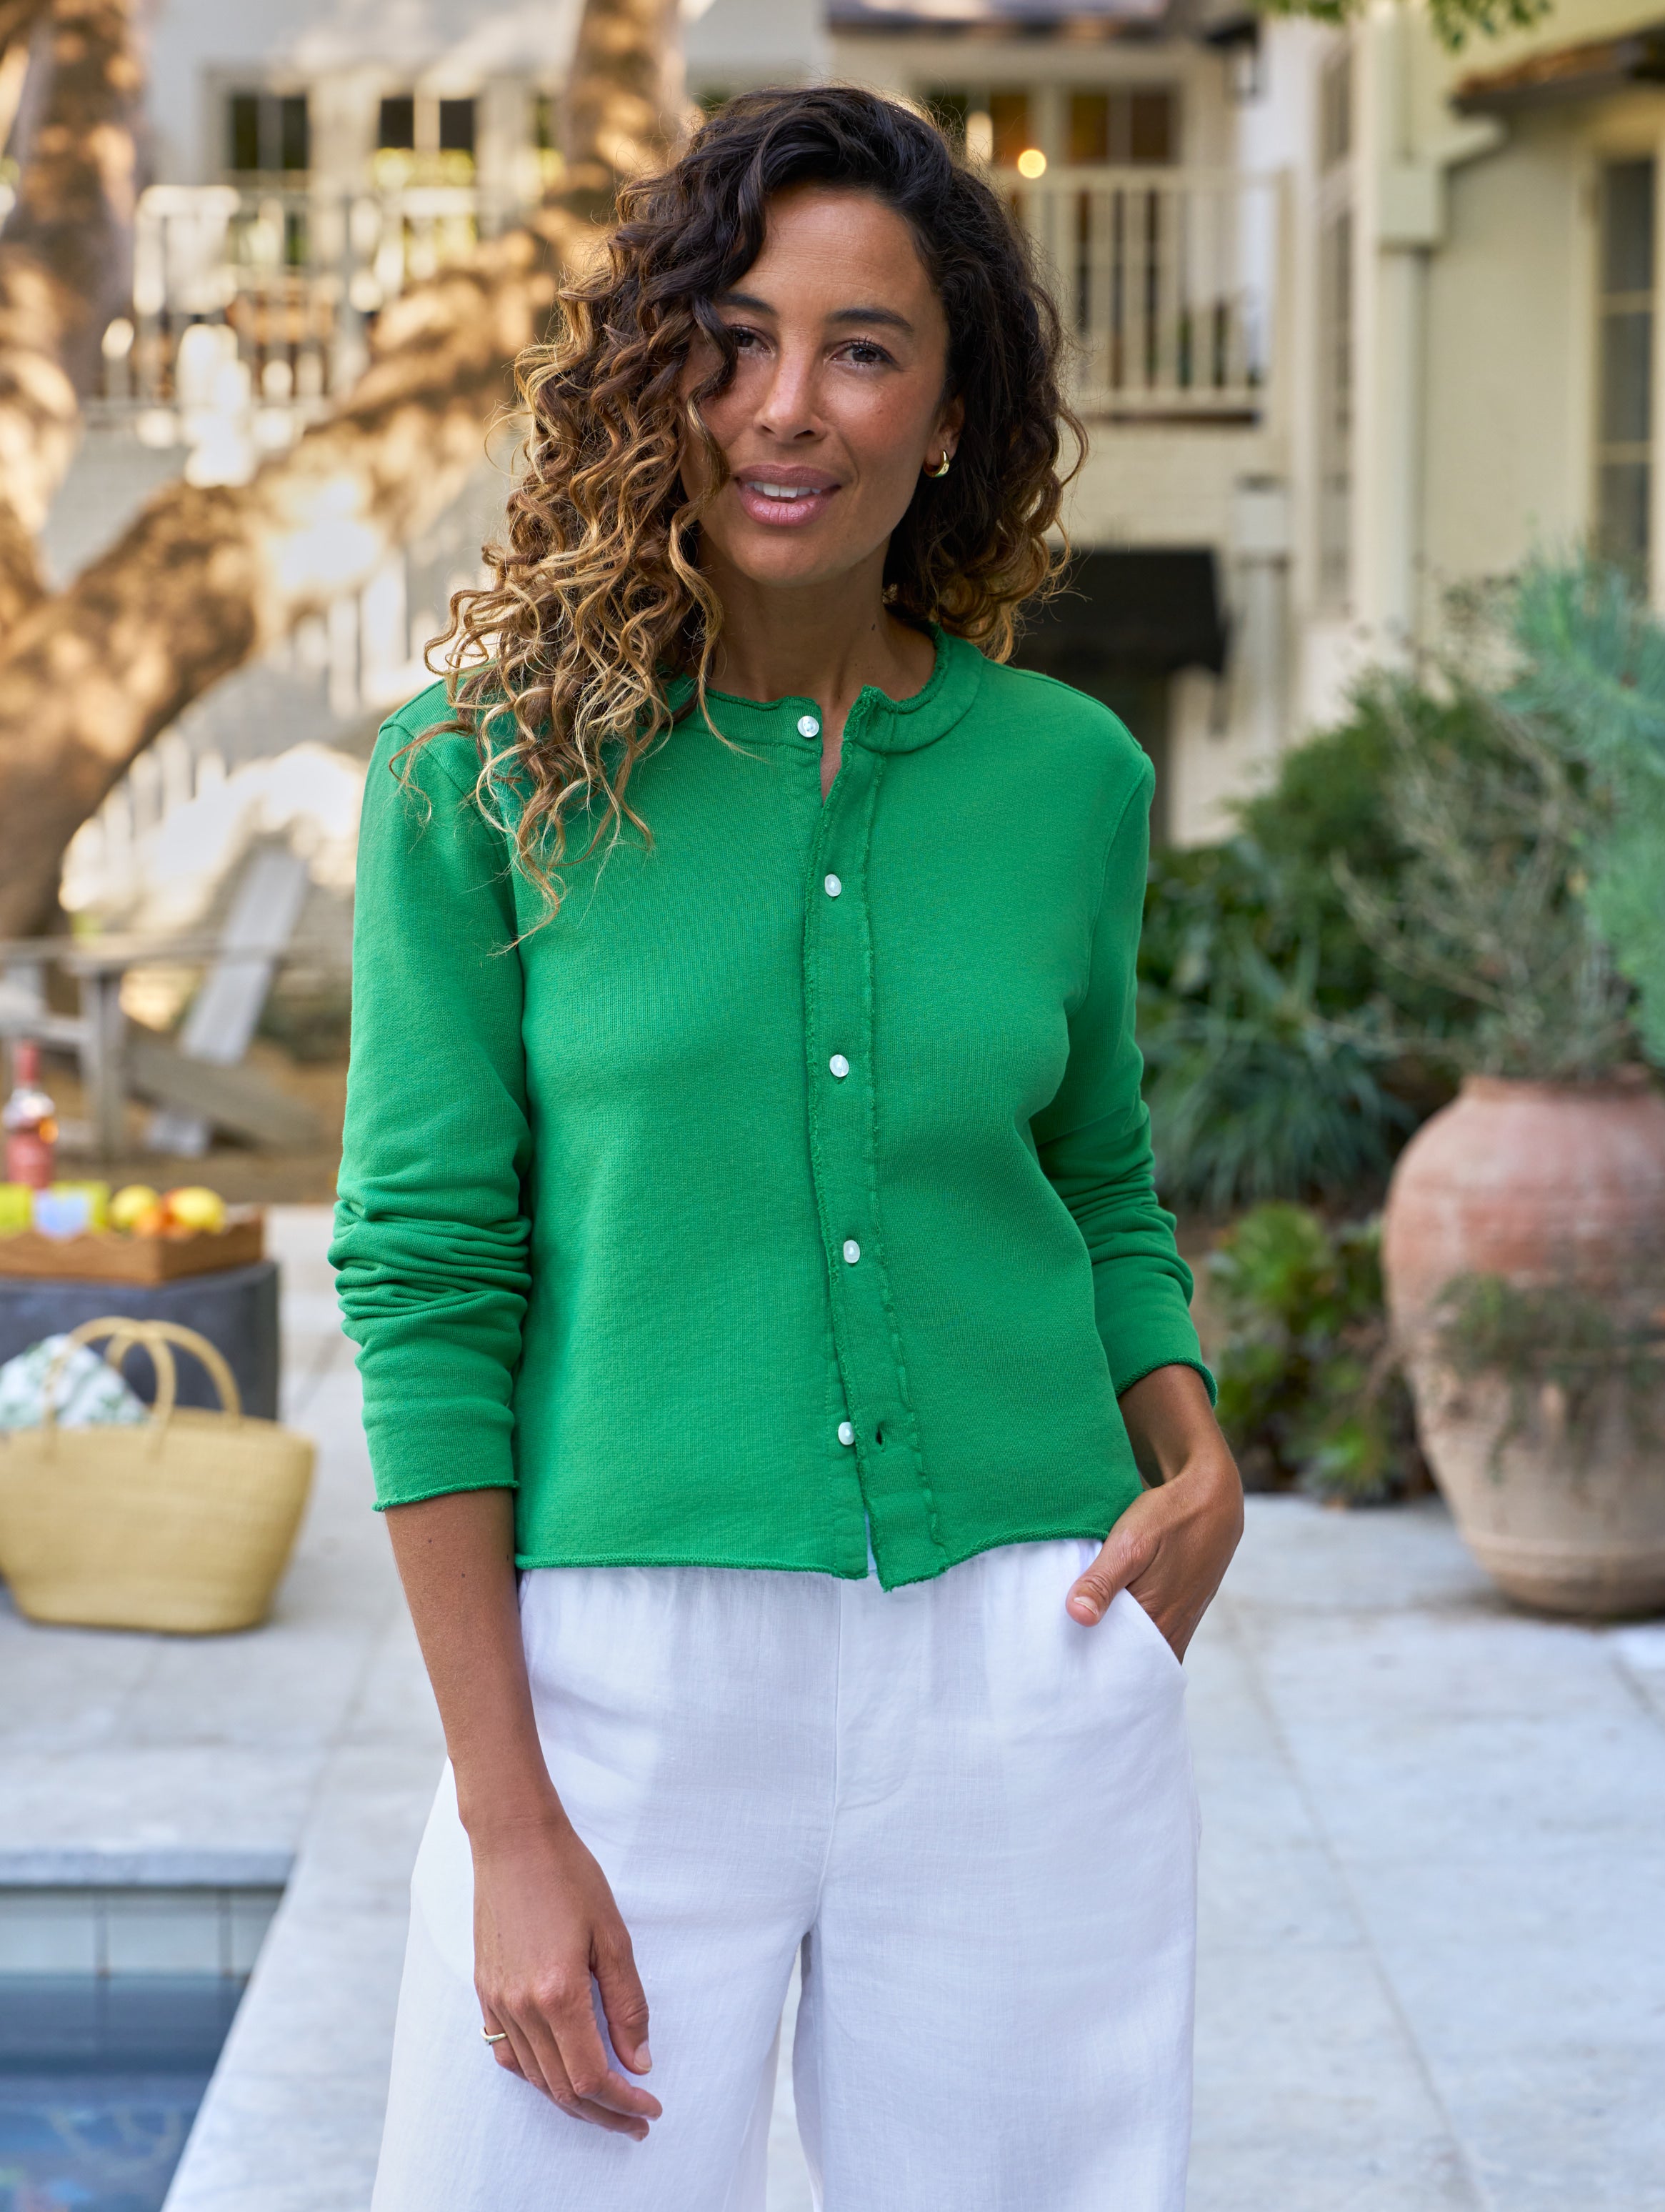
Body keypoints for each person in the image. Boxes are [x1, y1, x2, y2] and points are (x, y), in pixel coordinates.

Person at [333, 84, 1244, 2212]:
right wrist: (506, 1815)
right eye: (728, 339)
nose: (785, 406)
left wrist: (1190, 1447)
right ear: (653, 376)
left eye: (861, 348)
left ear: (950, 412)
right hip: (622, 1680)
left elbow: (1096, 1179)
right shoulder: (476, 779)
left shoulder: (1067, 775)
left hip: (1032, 1654)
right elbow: (426, 1273)